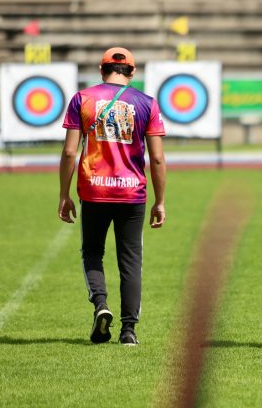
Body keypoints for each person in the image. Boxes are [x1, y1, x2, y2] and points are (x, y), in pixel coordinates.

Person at [58, 47, 167, 345]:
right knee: (130, 260)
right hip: (132, 193)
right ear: (132, 72)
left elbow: (70, 151)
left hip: (94, 190)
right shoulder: (147, 103)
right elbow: (157, 159)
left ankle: (101, 305)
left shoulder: (82, 99)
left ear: (101, 68)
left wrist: (64, 194)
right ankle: (129, 331)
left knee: (92, 252)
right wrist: (160, 201)